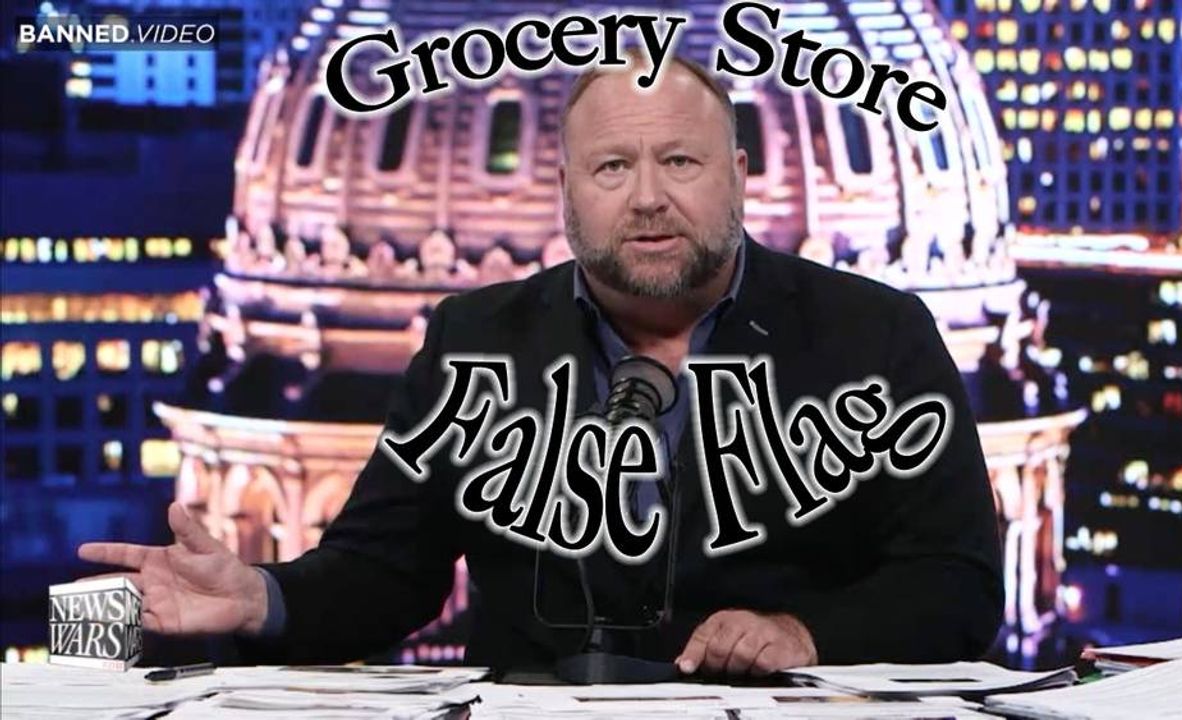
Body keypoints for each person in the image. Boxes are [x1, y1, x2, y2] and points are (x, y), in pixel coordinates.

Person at [79, 54, 1003, 677]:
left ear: (738, 171)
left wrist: (803, 634)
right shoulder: (476, 339)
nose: (648, 198)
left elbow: (955, 587)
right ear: (563, 189)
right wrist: (261, 598)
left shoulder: (876, 335)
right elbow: (386, 571)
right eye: (611, 168)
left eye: (681, 162)